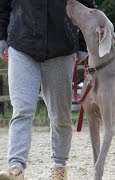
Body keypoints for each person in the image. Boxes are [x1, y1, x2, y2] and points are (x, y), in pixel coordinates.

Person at [0, 0, 94, 179]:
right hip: (22, 44)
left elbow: (87, 7)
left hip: (62, 48)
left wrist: (82, 45)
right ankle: (16, 166)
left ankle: (59, 165)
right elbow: (3, 5)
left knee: (60, 114)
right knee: (22, 109)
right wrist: (1, 37)